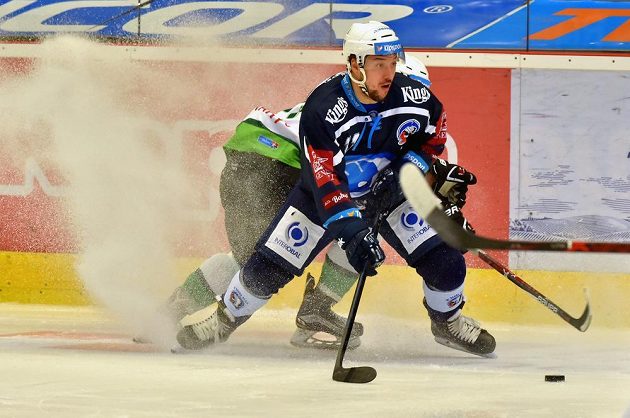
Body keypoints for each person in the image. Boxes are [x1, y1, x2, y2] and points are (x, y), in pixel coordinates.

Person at [176, 20, 496, 357]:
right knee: (265, 261)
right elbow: (325, 182)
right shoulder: (325, 108)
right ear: (356, 65)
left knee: (443, 258)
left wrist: (417, 183)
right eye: (379, 67)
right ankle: (223, 320)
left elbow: (427, 143)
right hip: (290, 167)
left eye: (393, 67)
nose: (392, 82)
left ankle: (446, 320)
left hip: (368, 186)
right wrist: (353, 230)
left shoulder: (415, 99)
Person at [164, 56, 434, 351]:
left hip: (252, 147)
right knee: (360, 223)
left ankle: (170, 312)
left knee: (250, 253)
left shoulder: (359, 101)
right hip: (281, 163)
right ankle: (316, 307)